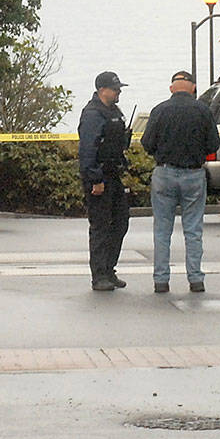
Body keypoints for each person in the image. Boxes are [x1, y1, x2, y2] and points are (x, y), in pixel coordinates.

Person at [140, 70, 220, 294]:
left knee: (162, 230)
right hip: (194, 174)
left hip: (164, 173)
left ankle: (161, 280)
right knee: (193, 230)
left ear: (171, 89)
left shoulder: (160, 110)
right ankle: (195, 279)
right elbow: (214, 144)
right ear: (193, 88)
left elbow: (147, 143)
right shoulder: (203, 111)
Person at [77, 70, 132, 291]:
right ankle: (99, 275)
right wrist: (94, 179)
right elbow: (88, 149)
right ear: (102, 90)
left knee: (120, 221)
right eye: (115, 89)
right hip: (99, 176)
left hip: (114, 174)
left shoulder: (112, 111)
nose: (119, 92)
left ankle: (109, 269)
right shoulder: (92, 114)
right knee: (100, 226)